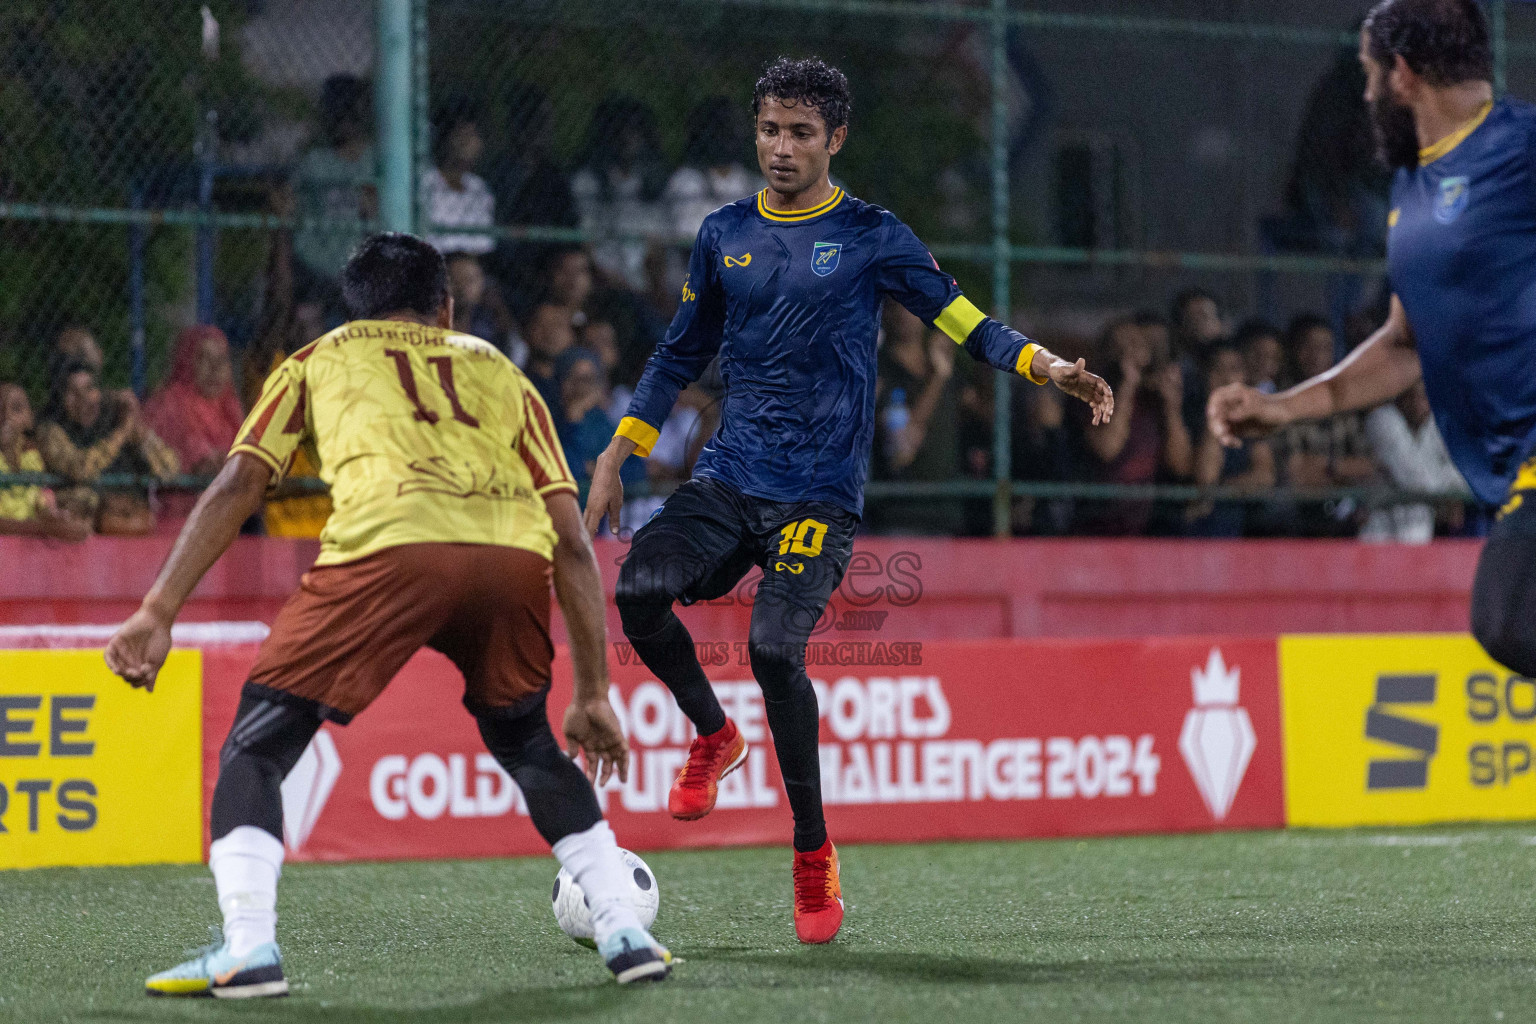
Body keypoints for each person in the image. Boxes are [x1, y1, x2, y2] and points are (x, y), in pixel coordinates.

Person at [583, 58, 1112, 944]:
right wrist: (618, 453)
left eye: (799, 133)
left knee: (774, 650)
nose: (780, 148)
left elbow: (961, 320)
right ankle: (712, 736)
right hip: (729, 474)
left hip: (818, 497)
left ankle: (812, 851)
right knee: (637, 589)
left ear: (835, 140)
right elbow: (677, 354)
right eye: (769, 130)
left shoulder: (872, 234)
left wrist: (1045, 364)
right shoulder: (722, 234)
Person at [105, 233, 671, 996]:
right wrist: (595, 690)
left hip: (389, 549)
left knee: (257, 753)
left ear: (355, 309)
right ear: (444, 307)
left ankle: (248, 947)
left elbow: (241, 483)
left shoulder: (315, 360)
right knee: (531, 745)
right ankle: (624, 930)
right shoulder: (499, 370)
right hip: (509, 557)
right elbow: (572, 539)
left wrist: (156, 609)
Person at [1209, 0, 1536, 674]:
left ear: (1404, 74)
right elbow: (1404, 344)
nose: (1363, 94)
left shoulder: (1521, 149)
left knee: (1509, 616)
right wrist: (1285, 406)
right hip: (1511, 472)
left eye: (1368, 74)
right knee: (1513, 622)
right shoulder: (1414, 186)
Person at [1075, 317, 1193, 536]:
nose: (1134, 352)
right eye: (1125, 346)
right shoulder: (1090, 394)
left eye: (1139, 345)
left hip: (1152, 524)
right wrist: (1128, 385)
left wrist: (1171, 407)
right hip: (1098, 520)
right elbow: (1107, 448)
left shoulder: (1159, 398)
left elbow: (1181, 466)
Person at [36, 363, 179, 535]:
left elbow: (170, 469)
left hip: (130, 519)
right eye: (73, 393)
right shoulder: (50, 430)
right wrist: (122, 432)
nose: (83, 399)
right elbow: (81, 468)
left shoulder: (115, 419)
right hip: (87, 525)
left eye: (89, 389)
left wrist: (137, 426)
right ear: (59, 398)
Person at [1187, 345, 1276, 537]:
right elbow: (1205, 479)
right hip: (1193, 531)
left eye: (1234, 369)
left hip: (1239, 529)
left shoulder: (1252, 421)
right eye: (1218, 370)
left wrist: (1220, 491)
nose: (1227, 379)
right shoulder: (1190, 417)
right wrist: (1215, 414)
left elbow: (1265, 477)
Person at [0, 382, 90, 540]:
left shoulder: (32, 457)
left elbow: (39, 501)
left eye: (16, 408)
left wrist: (55, 517)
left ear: (29, 418)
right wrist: (44, 527)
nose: (5, 416)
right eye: (0, 410)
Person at [422, 105, 496, 257]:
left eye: (473, 135)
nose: (468, 143)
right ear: (445, 137)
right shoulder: (425, 181)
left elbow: (483, 245)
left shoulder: (479, 187)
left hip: (470, 267)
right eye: (462, 135)